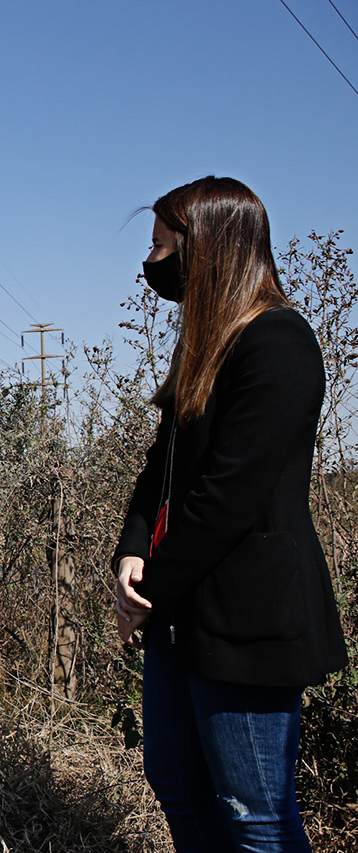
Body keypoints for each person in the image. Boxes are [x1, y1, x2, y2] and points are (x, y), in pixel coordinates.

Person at [113, 177, 347, 852]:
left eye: (161, 246)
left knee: (254, 813)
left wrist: (149, 593)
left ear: (208, 248)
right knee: (179, 786)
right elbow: (160, 468)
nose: (150, 262)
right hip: (178, 609)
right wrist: (131, 551)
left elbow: (230, 495)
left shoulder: (278, 342)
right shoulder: (203, 346)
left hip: (246, 616)